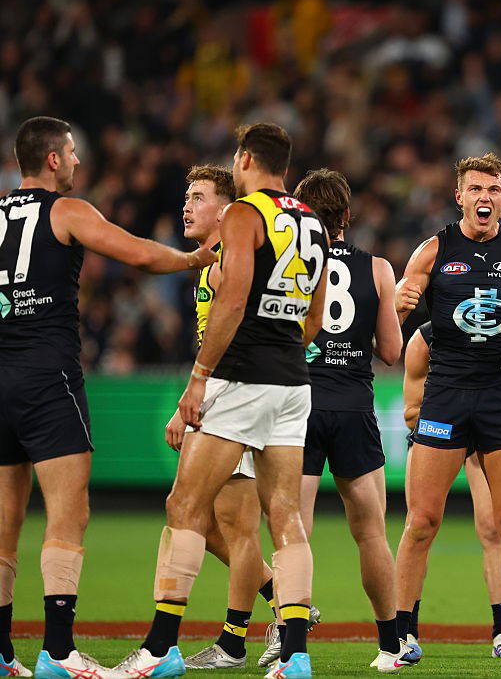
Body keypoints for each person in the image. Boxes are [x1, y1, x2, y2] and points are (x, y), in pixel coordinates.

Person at [109, 123, 328, 679]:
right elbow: (313, 318)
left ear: (246, 158)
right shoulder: (313, 222)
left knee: (183, 506)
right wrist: (280, 348)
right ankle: (295, 657)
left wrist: (200, 379)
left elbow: (231, 303)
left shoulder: (243, 215)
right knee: (286, 518)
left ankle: (160, 650)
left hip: (241, 376)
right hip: (292, 381)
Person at [0, 116, 216, 679]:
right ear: (52, 159)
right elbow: (137, 254)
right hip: (47, 379)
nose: (76, 160)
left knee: (4, 523)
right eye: (71, 152)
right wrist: (194, 260)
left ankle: (0, 652)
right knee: (68, 514)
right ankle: (57, 651)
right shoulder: (66, 211)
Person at [393, 152, 501, 670]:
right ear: (459, 197)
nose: (484, 197)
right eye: (475, 188)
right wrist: (399, 303)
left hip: (499, 398)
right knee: (421, 521)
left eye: (493, 189)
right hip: (445, 396)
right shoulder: (434, 249)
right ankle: (401, 638)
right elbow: (397, 306)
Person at [163, 165, 317, 671]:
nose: (187, 205)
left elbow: (235, 327)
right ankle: (280, 608)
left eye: (199, 197)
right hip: (261, 387)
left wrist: (197, 391)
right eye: (187, 196)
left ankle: (230, 635)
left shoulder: (234, 256)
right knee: (226, 522)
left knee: (219, 519)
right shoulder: (214, 263)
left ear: (225, 209)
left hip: (240, 393)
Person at [288, 168, 409, 673]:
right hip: (354, 407)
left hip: (298, 406)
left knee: (294, 532)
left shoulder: (288, 263)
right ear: (347, 216)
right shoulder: (378, 268)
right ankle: (391, 646)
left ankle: (292, 649)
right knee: (372, 533)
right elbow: (391, 351)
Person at [401, 320, 501, 660]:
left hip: (484, 429)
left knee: (494, 529)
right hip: (439, 431)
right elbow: (411, 415)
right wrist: (456, 417)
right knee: (420, 526)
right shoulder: (425, 339)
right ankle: (407, 630)